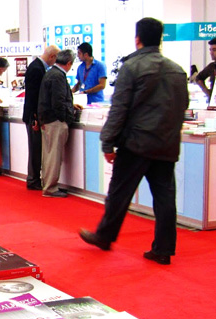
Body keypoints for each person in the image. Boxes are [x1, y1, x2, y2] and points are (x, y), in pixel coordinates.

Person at [78, 17, 189, 265]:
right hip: (166, 142)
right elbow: (183, 106)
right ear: (160, 39)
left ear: (137, 38)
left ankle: (105, 236)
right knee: (165, 198)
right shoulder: (177, 69)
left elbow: (119, 109)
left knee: (119, 193)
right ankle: (163, 249)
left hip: (137, 142)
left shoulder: (132, 67)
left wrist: (108, 142)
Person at [37, 49, 80, 197]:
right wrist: (66, 117)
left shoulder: (50, 73)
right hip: (55, 121)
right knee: (54, 156)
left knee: (48, 155)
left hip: (47, 119)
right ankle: (50, 187)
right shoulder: (58, 77)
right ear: (69, 63)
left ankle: (47, 184)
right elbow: (58, 102)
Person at [23, 44, 59, 191]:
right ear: (52, 56)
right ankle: (33, 179)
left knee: (36, 149)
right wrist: (35, 118)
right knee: (35, 149)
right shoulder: (37, 69)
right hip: (33, 116)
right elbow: (34, 96)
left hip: (33, 115)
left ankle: (35, 178)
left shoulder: (37, 67)